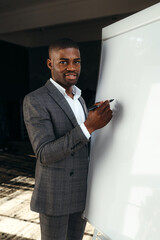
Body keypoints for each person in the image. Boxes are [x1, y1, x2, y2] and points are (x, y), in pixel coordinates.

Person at [23, 38, 112, 240]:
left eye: (76, 61)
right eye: (63, 61)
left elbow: (80, 139)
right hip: (56, 195)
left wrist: (93, 119)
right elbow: (44, 153)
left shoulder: (79, 98)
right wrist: (89, 125)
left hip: (80, 192)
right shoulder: (35, 100)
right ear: (50, 64)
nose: (72, 67)